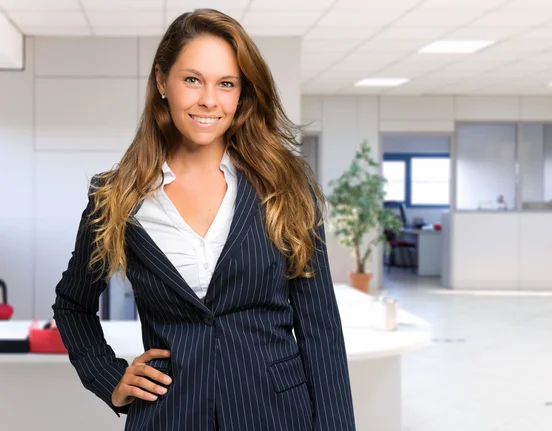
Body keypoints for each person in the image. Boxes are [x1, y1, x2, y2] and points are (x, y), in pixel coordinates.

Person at [52, 8, 356, 431]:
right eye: (192, 80)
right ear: (162, 81)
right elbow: (72, 304)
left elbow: (320, 330)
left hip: (277, 416)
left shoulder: (285, 185)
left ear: (241, 94)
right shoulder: (116, 197)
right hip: (168, 416)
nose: (209, 100)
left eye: (226, 84)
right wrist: (109, 379)